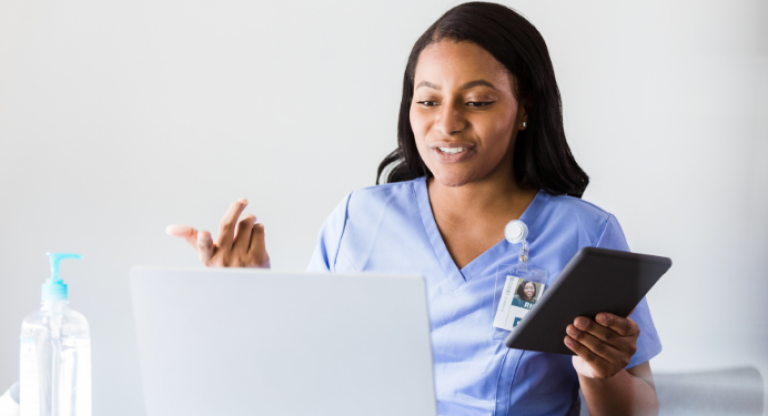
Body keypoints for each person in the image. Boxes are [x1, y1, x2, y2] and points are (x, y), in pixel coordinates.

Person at [166, 2, 661, 415]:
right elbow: (302, 375)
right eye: (428, 101)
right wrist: (247, 297)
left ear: (525, 107)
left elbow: (640, 407)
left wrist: (599, 372)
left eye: (478, 102)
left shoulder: (583, 234)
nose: (447, 124)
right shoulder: (358, 220)